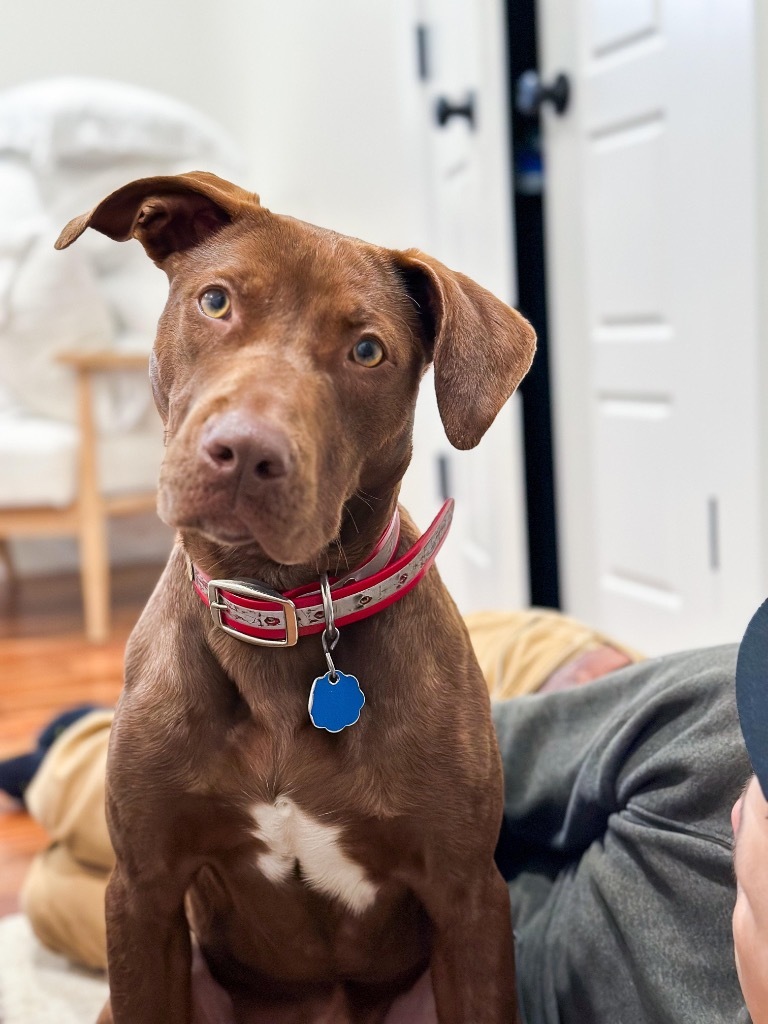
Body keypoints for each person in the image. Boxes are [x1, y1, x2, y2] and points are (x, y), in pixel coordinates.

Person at [0, 607, 757, 1022]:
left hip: (439, 964)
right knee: (178, 785)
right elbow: (505, 754)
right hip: (531, 748)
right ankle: (61, 750)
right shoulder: (731, 733)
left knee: (67, 899)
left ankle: (54, 816)